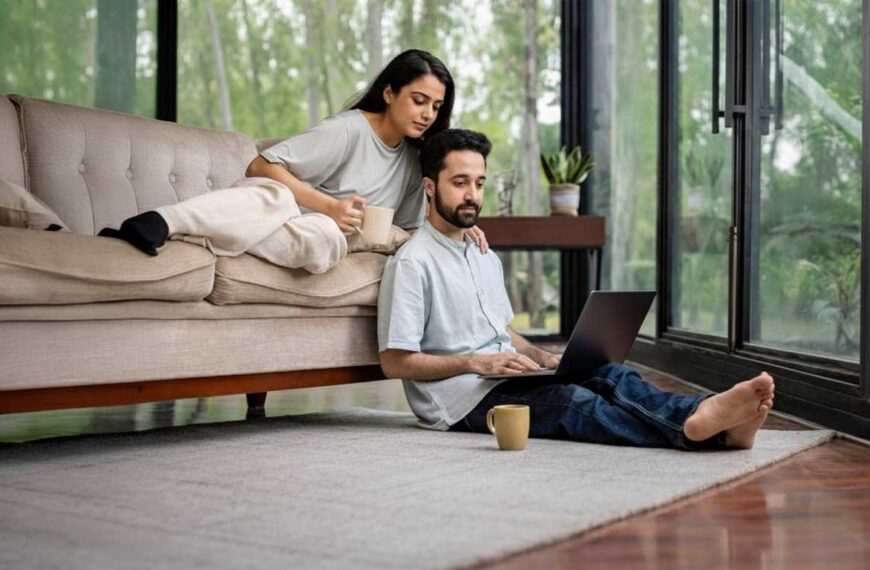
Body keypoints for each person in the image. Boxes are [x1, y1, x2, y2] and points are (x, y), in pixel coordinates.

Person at [377, 128, 775, 450]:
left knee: (610, 374)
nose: (473, 196)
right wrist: (476, 362)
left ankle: (708, 417)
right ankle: (705, 428)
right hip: (459, 399)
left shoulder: (483, 253)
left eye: (479, 183)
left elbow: (502, 331)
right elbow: (396, 362)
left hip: (503, 377)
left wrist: (543, 357)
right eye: (459, 182)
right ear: (430, 187)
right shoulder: (413, 261)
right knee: (574, 404)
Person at [99, 49, 488, 273]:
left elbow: (404, 229)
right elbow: (259, 167)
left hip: (315, 236)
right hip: (270, 208)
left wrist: (454, 233)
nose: (427, 114)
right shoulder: (349, 129)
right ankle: (162, 221)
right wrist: (330, 206)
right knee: (277, 198)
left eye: (436, 106)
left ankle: (188, 235)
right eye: (418, 100)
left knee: (324, 240)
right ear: (389, 93)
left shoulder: (413, 162)